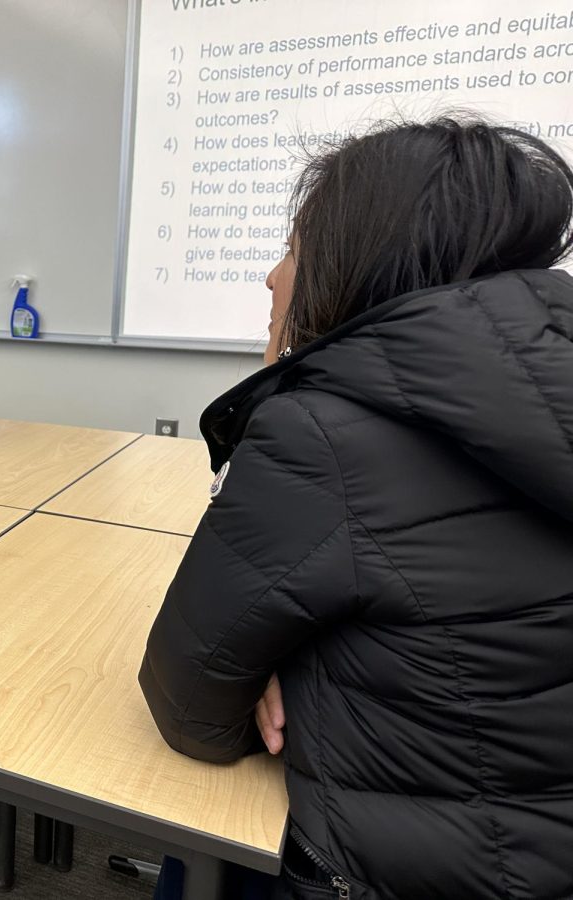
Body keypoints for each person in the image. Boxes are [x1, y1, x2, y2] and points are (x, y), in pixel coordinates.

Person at [139, 116, 573, 899]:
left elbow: (188, 704)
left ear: (356, 265)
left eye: (295, 250)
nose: (273, 279)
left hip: (390, 874)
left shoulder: (325, 432)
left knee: (199, 850)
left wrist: (287, 668)